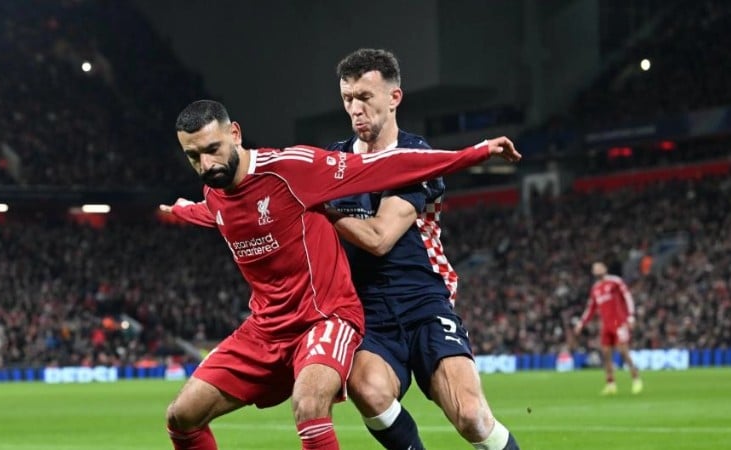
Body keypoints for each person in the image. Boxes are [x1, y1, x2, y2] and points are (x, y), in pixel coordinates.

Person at [159, 99, 521, 450]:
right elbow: (214, 212)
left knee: (309, 403)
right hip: (266, 328)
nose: (206, 164)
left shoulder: (292, 168)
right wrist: (180, 211)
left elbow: (388, 165)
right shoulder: (215, 190)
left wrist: (474, 153)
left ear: (235, 134)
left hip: (325, 318)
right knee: (181, 416)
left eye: (213, 149)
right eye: (194, 156)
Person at [325, 48, 521, 450]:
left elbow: (380, 238)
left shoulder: (416, 156)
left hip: (423, 301)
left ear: (394, 97)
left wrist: (321, 209)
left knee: (471, 416)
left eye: (365, 97)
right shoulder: (334, 161)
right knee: (368, 390)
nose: (355, 109)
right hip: (365, 309)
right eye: (348, 99)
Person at [574, 261, 643, 395]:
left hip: (619, 323)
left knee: (623, 351)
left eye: (599, 267)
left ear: (605, 269)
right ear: (593, 272)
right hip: (606, 325)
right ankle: (611, 383)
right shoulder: (595, 288)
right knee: (606, 355)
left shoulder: (615, 282)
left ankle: (636, 379)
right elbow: (591, 308)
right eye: (595, 268)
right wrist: (581, 323)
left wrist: (631, 317)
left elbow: (628, 297)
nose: (597, 270)